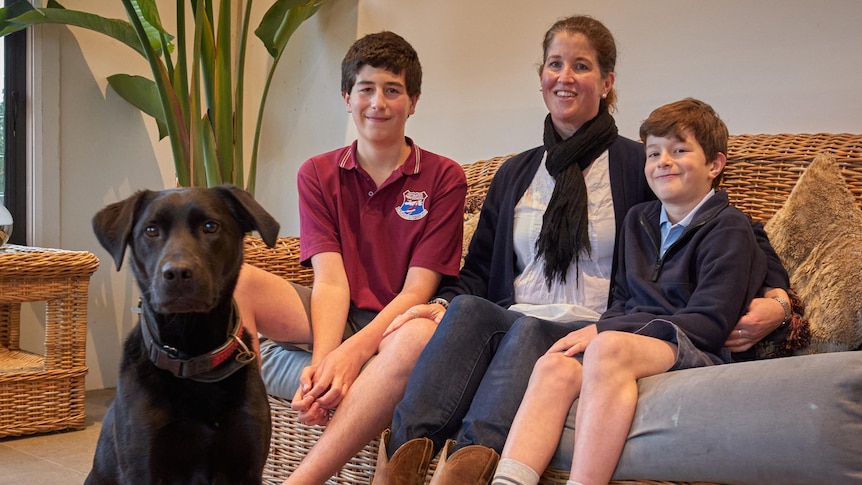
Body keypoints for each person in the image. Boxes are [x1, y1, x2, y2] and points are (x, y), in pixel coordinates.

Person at [374, 16, 791, 485]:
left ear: (607, 81)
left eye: (581, 66)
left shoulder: (644, 163)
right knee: (467, 309)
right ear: (541, 78)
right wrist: (440, 305)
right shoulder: (515, 174)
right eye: (555, 64)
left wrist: (778, 299)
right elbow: (476, 272)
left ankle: (469, 469)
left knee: (529, 331)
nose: (565, 77)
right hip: (515, 311)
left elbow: (732, 228)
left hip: (588, 320)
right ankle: (396, 471)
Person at [491, 98, 765, 485]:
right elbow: (619, 301)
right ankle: (509, 481)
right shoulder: (637, 220)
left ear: (715, 165)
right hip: (633, 342)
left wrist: (609, 332)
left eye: (679, 150)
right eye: (653, 153)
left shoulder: (729, 228)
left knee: (607, 346)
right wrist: (609, 327)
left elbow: (709, 323)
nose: (663, 162)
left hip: (694, 347)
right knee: (554, 364)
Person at [233, 31, 467, 484]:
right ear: (347, 97)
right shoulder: (317, 173)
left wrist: (353, 354)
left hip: (397, 321)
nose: (377, 102)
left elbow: (419, 290)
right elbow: (331, 280)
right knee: (237, 282)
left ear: (412, 101)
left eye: (392, 90)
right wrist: (325, 363)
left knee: (416, 334)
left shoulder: (443, 177)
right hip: (335, 313)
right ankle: (239, 440)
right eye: (366, 88)